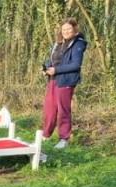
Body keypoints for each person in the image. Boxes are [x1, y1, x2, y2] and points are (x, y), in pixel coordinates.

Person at [42, 17, 87, 149]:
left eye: (69, 29)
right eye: (64, 29)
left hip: (66, 80)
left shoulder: (78, 43)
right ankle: (46, 134)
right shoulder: (58, 43)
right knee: (49, 108)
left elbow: (76, 65)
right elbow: (52, 59)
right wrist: (46, 67)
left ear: (74, 29)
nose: (66, 31)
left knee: (63, 111)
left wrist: (56, 70)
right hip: (53, 80)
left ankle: (64, 139)